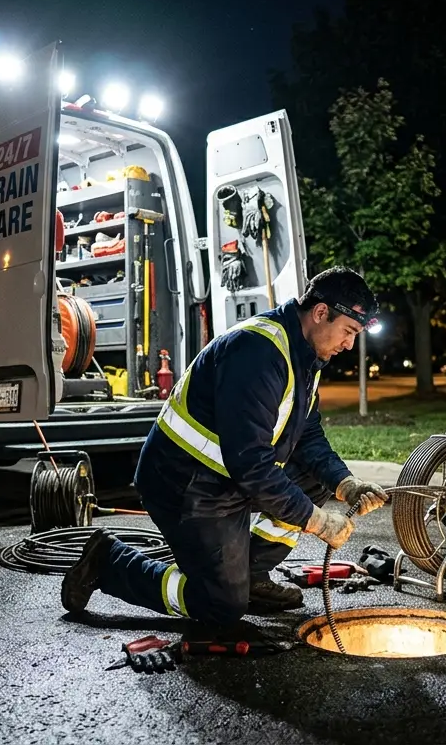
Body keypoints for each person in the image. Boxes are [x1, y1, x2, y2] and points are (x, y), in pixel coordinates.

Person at [60, 266, 391, 625]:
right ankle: (108, 561)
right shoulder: (259, 352)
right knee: (219, 606)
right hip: (185, 486)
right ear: (321, 313)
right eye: (348, 332)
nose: (349, 344)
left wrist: (345, 482)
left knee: (315, 479)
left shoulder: (306, 357)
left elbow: (306, 435)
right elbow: (251, 465)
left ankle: (251, 577)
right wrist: (317, 521)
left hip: (223, 480)